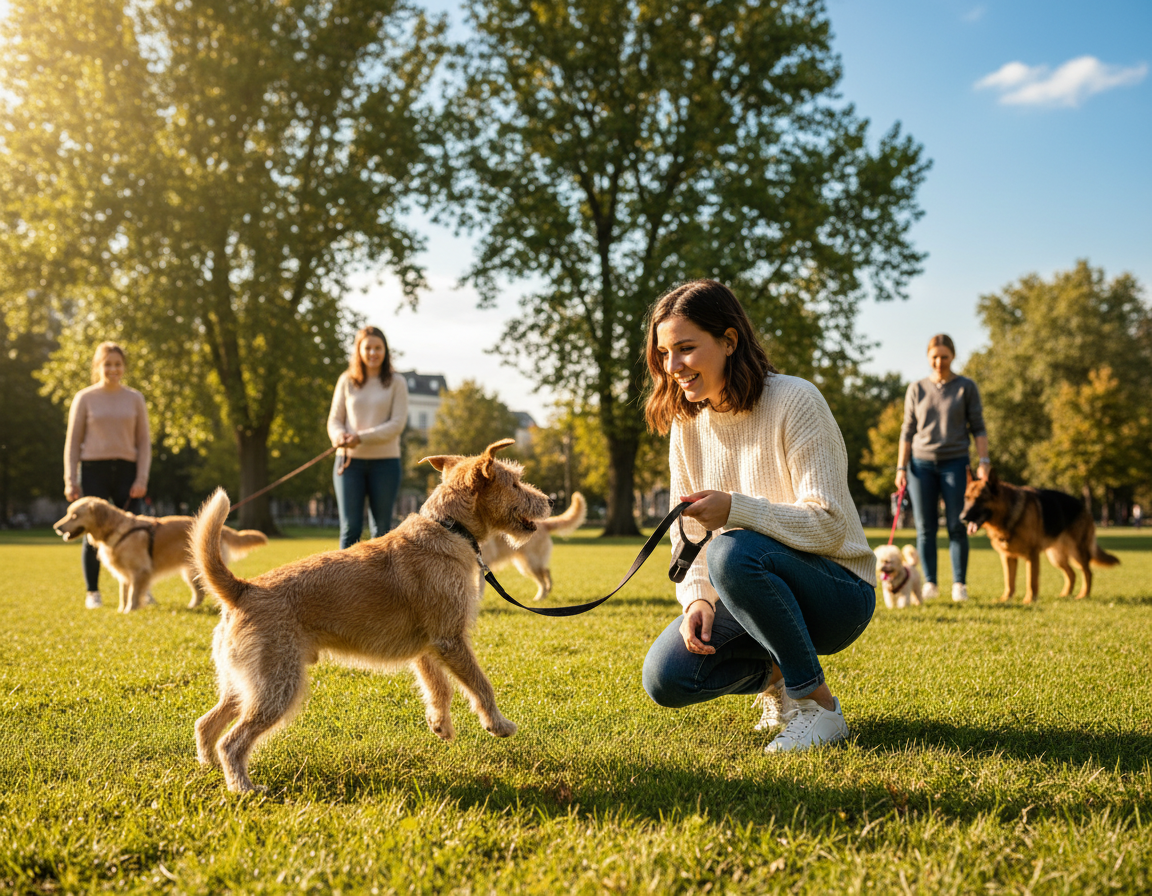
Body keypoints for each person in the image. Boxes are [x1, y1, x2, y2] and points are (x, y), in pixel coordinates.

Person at [641, 280, 876, 753]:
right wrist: (697, 600)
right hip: (746, 584)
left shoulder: (796, 400)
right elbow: (689, 537)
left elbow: (831, 524)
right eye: (664, 354)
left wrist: (737, 508)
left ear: (729, 341)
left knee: (732, 548)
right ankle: (776, 674)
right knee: (667, 677)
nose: (673, 367)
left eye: (686, 349)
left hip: (839, 593)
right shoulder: (687, 425)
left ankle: (818, 707)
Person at [895, 334, 989, 603]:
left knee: (957, 524)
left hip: (956, 462)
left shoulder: (965, 387)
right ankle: (930, 584)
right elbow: (907, 431)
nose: (939, 362)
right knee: (925, 528)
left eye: (944, 357)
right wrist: (901, 467)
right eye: (934, 357)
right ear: (928, 357)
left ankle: (959, 584)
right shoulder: (917, 389)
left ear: (953, 356)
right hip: (920, 464)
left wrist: (984, 462)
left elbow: (978, 427)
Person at [63, 342, 152, 609]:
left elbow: (144, 443)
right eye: (108, 364)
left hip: (127, 471)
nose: (113, 369)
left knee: (137, 534)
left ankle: (142, 588)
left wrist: (141, 478)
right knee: (92, 532)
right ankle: (93, 592)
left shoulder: (135, 398)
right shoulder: (85, 398)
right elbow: (73, 441)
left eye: (118, 364)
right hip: (94, 470)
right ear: (98, 366)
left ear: (123, 367)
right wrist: (71, 479)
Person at [327, 325, 408, 549]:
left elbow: (396, 425)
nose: (373, 353)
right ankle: (343, 584)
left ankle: (381, 584)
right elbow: (334, 419)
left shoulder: (397, 383)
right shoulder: (346, 380)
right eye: (368, 348)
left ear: (385, 350)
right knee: (350, 528)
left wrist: (359, 437)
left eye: (378, 348)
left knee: (382, 530)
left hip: (386, 464)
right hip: (348, 463)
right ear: (359, 351)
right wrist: (338, 436)